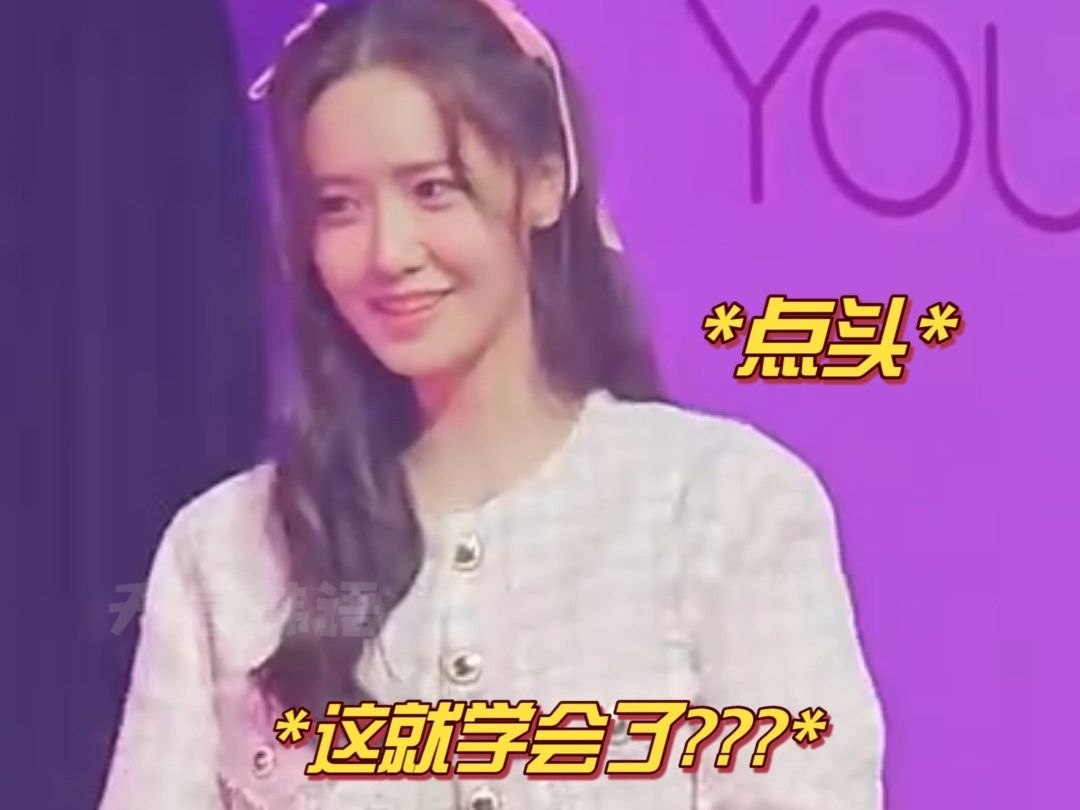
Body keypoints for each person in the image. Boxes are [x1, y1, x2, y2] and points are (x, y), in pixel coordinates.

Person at [98, 1, 884, 808]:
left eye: (432, 190)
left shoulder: (720, 502)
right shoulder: (226, 550)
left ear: (545, 179)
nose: (388, 253)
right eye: (339, 206)